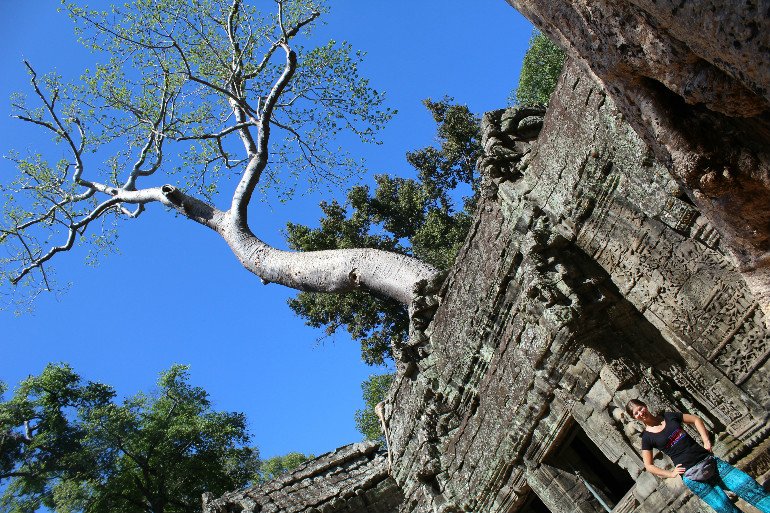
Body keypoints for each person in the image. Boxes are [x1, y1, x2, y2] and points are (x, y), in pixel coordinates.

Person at [626, 399, 770, 513]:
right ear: (635, 418)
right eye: (636, 413)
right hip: (692, 476)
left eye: (640, 408)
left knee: (747, 485)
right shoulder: (647, 438)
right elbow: (648, 465)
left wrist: (706, 441)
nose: (640, 413)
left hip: (710, 461)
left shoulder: (669, 416)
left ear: (645, 405)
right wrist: (670, 474)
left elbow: (695, 419)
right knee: (725, 508)